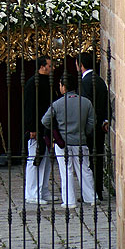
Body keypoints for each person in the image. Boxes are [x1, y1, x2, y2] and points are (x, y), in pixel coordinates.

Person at [41, 73, 96, 209]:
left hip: (63, 142)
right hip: (80, 141)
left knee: (66, 171)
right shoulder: (86, 102)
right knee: (85, 169)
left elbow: (45, 121)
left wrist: (56, 128)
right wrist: (84, 132)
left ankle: (69, 200)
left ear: (63, 87)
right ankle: (91, 197)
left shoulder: (57, 104)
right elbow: (92, 122)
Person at [76, 52, 109, 201]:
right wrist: (105, 121)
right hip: (100, 127)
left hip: (89, 128)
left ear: (80, 65)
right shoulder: (100, 80)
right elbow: (106, 103)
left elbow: (84, 107)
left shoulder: (85, 83)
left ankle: (90, 193)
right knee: (98, 158)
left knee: (87, 161)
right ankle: (98, 190)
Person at [23, 56, 54, 204]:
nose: (51, 68)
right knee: (34, 159)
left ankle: (43, 190)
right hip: (36, 127)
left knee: (46, 159)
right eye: (49, 65)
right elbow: (29, 107)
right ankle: (32, 193)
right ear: (42, 66)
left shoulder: (47, 82)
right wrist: (31, 128)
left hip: (46, 127)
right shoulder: (32, 83)